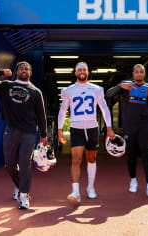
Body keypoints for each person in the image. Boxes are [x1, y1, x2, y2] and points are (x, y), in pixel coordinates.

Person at [0, 61, 48, 209]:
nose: (24, 70)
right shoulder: (6, 86)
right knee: (10, 165)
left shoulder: (35, 92)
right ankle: (19, 186)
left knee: (25, 164)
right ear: (16, 71)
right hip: (11, 130)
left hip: (29, 133)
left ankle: (24, 196)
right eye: (21, 68)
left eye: (27, 68)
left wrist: (44, 136)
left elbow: (41, 116)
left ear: (30, 73)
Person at [58, 61, 115, 204]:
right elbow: (63, 110)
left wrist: (109, 127)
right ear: (75, 73)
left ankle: (90, 187)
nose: (82, 72)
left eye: (84, 69)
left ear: (88, 72)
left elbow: (104, 108)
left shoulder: (96, 89)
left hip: (92, 128)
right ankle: (75, 191)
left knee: (91, 158)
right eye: (79, 70)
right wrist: (59, 129)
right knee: (76, 159)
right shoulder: (68, 90)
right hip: (76, 127)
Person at [106, 64, 148, 197]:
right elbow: (108, 94)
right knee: (131, 155)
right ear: (133, 74)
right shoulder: (126, 87)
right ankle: (133, 181)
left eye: (141, 72)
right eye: (136, 72)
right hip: (129, 127)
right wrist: (120, 86)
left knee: (146, 155)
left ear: (143, 74)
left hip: (145, 126)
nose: (138, 74)